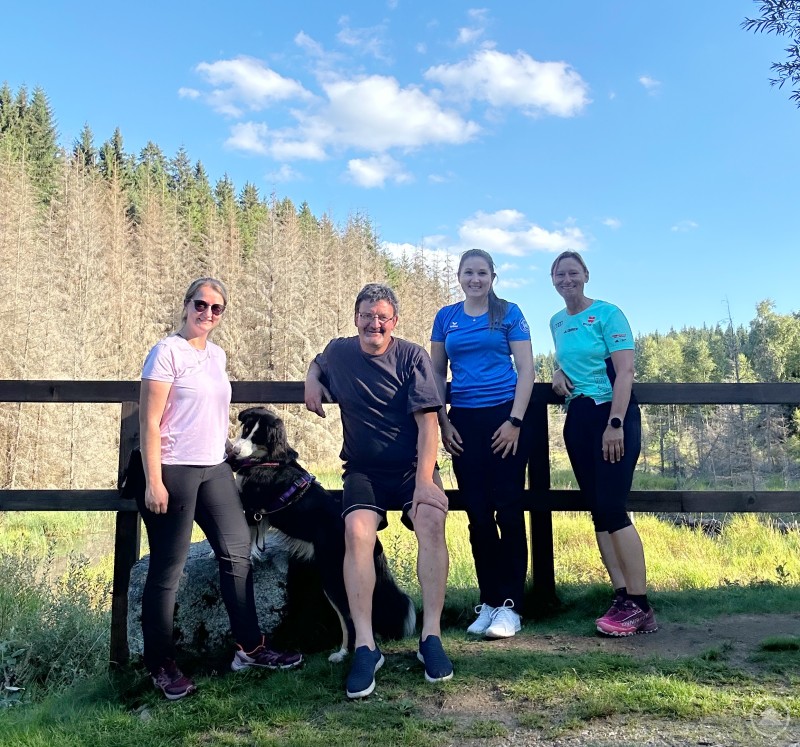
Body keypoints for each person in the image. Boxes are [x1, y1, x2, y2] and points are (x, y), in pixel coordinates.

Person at [137, 277, 302, 700]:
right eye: (201, 304)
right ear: (186, 304)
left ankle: (250, 648)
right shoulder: (166, 352)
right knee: (168, 570)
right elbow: (149, 422)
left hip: (214, 468)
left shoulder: (216, 355)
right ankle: (161, 665)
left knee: (237, 553)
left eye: (216, 308)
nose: (207, 313)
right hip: (173, 469)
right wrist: (153, 481)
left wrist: (227, 448)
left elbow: (207, 412)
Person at [304, 282, 453, 699]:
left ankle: (431, 637)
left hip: (412, 467)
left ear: (394, 321)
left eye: (382, 317)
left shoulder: (411, 357)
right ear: (356, 318)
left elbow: (428, 424)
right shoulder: (340, 352)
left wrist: (424, 482)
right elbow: (318, 361)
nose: (375, 324)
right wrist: (312, 379)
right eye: (367, 316)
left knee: (431, 521)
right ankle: (366, 646)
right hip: (364, 470)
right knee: (356, 533)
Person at [549, 251, 657, 636]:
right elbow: (572, 360)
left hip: (612, 415)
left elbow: (625, 371)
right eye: (560, 274)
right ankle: (622, 596)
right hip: (578, 417)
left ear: (585, 275)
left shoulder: (609, 314)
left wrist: (615, 423)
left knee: (612, 507)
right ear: (553, 280)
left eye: (573, 273)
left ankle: (640, 605)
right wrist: (557, 371)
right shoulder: (557, 322)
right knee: (598, 510)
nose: (567, 280)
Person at [430, 249, 535, 639]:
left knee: (508, 509)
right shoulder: (446, 317)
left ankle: (511, 606)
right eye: (468, 273)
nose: (475, 279)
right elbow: (436, 373)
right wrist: (443, 421)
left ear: (493, 277)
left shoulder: (509, 312)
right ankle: (489, 601)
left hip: (506, 417)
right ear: (459, 276)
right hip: (463, 421)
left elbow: (527, 369)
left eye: (482, 273)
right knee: (477, 513)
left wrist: (515, 421)